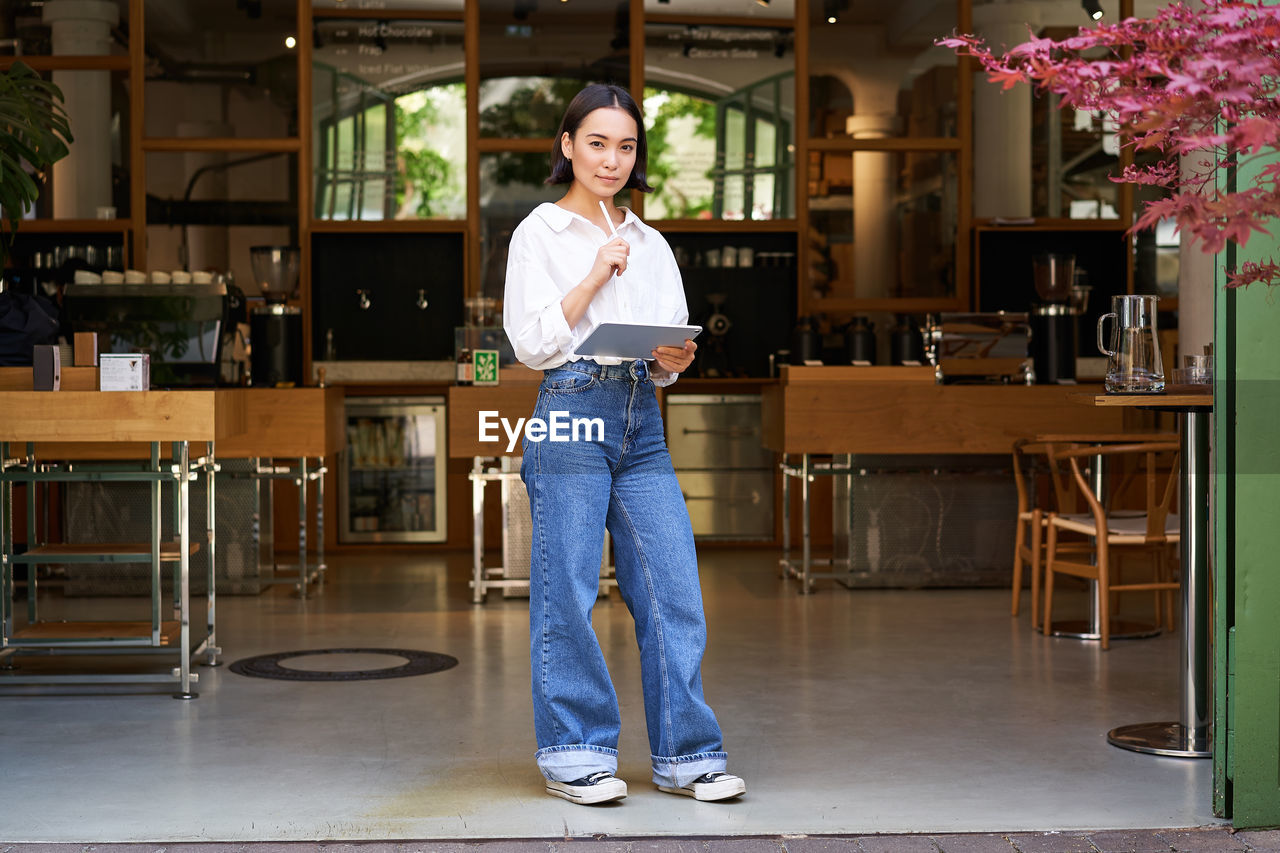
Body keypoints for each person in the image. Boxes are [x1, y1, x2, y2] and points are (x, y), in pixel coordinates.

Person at [502, 83, 745, 806]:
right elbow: (534, 344)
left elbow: (668, 337)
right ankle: (576, 753)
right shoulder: (539, 234)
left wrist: (675, 361)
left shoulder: (652, 241)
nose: (612, 159)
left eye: (626, 146)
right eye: (598, 143)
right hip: (570, 411)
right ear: (568, 145)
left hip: (643, 423)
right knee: (568, 593)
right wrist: (593, 274)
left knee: (673, 588)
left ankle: (686, 754)